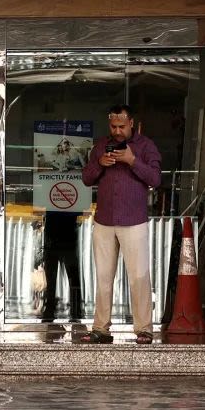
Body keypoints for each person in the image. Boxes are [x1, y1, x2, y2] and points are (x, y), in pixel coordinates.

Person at [77, 104, 162, 345]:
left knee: (139, 276)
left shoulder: (145, 146)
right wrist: (99, 164)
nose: (117, 131)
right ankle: (100, 329)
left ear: (131, 123)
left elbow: (156, 179)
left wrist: (132, 160)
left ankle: (144, 329)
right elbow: (86, 178)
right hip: (104, 221)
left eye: (121, 127)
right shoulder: (101, 146)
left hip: (134, 221)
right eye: (113, 126)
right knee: (103, 276)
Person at [42, 210, 82, 323]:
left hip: (53, 230)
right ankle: (76, 310)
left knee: (52, 274)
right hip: (68, 231)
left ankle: (50, 309)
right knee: (72, 274)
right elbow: (79, 208)